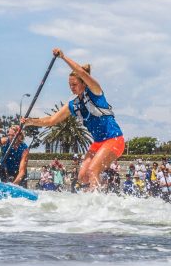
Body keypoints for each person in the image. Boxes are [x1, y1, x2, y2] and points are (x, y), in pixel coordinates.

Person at [23, 48, 124, 190]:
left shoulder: (96, 91)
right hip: (98, 143)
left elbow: (81, 72)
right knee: (82, 176)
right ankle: (100, 194)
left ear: (84, 83)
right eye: (70, 85)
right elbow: (51, 120)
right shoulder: (73, 105)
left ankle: (96, 201)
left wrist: (63, 57)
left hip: (114, 139)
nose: (72, 88)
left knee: (92, 170)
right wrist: (30, 121)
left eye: (75, 84)